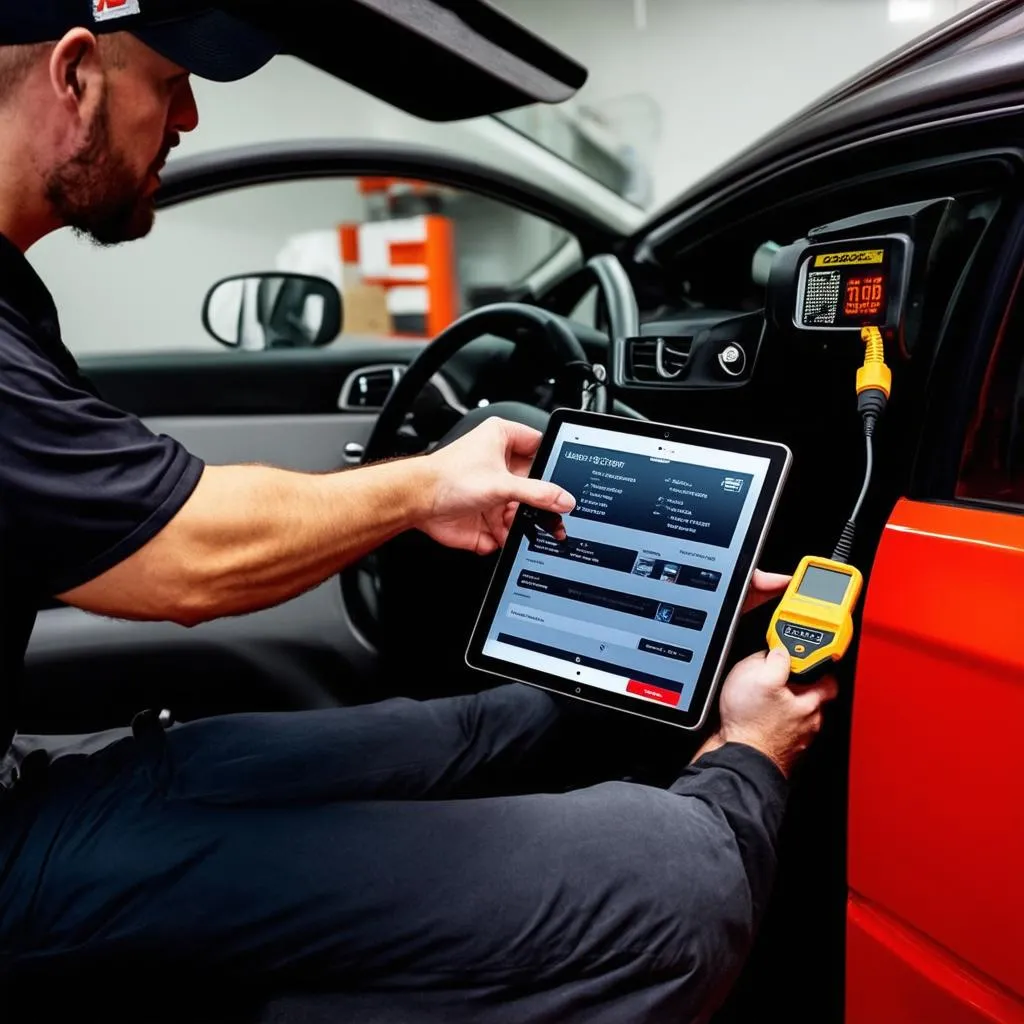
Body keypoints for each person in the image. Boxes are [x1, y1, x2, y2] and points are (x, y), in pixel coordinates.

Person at [0, 5, 838, 1023]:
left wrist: (679, 619)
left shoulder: (14, 297)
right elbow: (184, 557)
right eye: (172, 81)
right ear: (76, 75)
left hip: (24, 784)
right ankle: (731, 780)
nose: (187, 117)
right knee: (675, 884)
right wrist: (745, 751)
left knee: (494, 721)